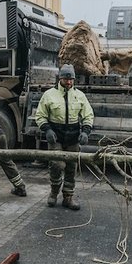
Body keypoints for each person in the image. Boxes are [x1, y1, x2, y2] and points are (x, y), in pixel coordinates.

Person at [34, 64, 94, 210]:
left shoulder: (79, 96)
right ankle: (54, 193)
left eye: (71, 79)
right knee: (57, 164)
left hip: (73, 137)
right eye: (66, 79)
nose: (68, 82)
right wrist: (47, 130)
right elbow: (40, 115)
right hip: (56, 136)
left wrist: (85, 131)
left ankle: (68, 197)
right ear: (60, 78)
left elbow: (88, 115)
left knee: (71, 167)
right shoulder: (49, 95)